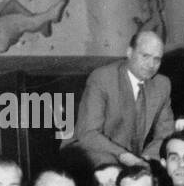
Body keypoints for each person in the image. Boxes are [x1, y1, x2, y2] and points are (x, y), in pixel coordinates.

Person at [69, 30, 174, 167]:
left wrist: (146, 160)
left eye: (157, 59)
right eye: (145, 56)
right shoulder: (102, 78)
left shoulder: (162, 84)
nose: (151, 64)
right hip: (95, 154)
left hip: (136, 159)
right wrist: (125, 157)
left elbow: (166, 134)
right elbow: (89, 134)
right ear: (129, 53)